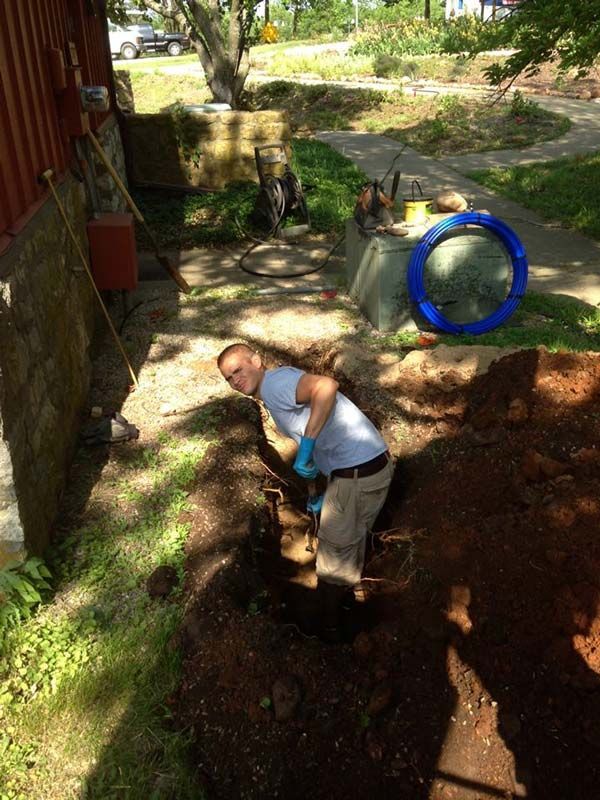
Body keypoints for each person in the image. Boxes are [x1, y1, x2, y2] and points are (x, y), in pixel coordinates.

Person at [217, 343, 394, 641]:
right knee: (345, 540)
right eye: (228, 377)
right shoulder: (272, 394)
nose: (235, 379)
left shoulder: (275, 385)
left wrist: (308, 445)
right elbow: (315, 425)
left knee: (332, 557)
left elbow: (326, 386)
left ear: (257, 361)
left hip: (359, 474)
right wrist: (324, 484)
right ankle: (346, 599)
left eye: (238, 370)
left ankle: (330, 625)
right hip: (359, 469)